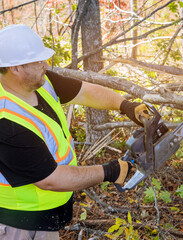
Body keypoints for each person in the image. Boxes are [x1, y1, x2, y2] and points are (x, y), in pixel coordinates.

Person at [0, 24, 149, 240]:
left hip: (43, 217)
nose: (46, 64)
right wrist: (109, 171)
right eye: (39, 60)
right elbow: (51, 178)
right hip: (18, 224)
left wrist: (125, 106)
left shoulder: (43, 82)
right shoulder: (7, 122)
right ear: (16, 68)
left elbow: (85, 92)